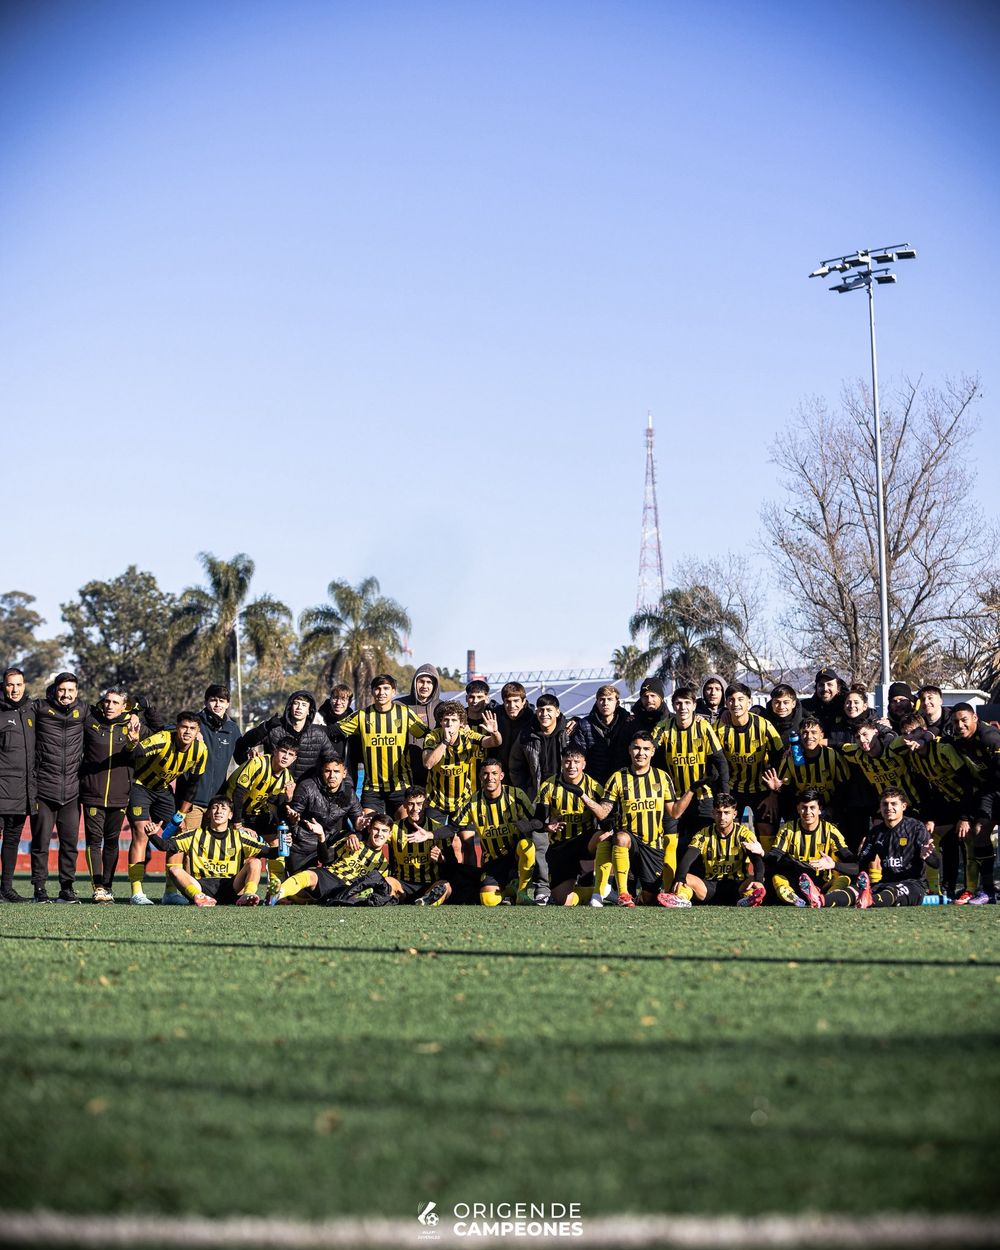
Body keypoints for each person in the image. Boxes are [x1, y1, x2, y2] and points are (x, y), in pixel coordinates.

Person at [591, 730, 693, 907]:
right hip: (629, 843)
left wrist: (692, 790)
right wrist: (584, 797)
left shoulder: (662, 777)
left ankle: (633, 895)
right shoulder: (618, 778)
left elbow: (674, 813)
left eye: (646, 749)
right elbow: (603, 812)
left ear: (652, 751)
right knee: (620, 837)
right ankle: (622, 894)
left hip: (653, 846)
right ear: (629, 750)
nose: (641, 753)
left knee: (650, 899)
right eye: (636, 748)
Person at [891, 715, 977, 901]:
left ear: (924, 731)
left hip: (970, 800)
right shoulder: (913, 757)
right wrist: (929, 816)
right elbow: (924, 789)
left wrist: (965, 816)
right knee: (931, 835)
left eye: (914, 732)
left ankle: (972, 889)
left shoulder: (943, 748)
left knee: (968, 837)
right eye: (906, 735)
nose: (910, 738)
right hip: (947, 802)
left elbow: (968, 781)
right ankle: (934, 889)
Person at [127, 712, 208, 905]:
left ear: (198, 731)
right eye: (184, 727)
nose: (187, 732)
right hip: (140, 786)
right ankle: (137, 892)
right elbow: (134, 753)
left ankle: (170, 892)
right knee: (141, 833)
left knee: (178, 834)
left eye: (192, 728)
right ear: (177, 727)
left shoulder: (200, 750)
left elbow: (193, 785)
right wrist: (133, 742)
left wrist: (181, 813)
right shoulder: (162, 739)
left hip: (162, 790)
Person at [28, 672, 93, 903]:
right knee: (41, 843)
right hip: (44, 790)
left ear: (77, 692)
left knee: (69, 845)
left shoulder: (84, 711)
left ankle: (67, 888)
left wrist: (136, 714)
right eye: (62, 690)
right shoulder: (39, 709)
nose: (66, 695)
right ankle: (39, 889)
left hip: (72, 792)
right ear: (55, 690)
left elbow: (111, 719)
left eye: (71, 690)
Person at [329, 674, 429, 815]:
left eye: (386, 688)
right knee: (370, 829)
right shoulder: (361, 715)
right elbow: (332, 730)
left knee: (403, 830)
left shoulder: (404, 713)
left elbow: (427, 734)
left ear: (394, 691)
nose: (382, 692)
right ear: (372, 691)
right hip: (372, 789)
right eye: (378, 689)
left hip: (400, 786)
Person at [653, 686, 730, 870]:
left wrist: (725, 795)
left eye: (687, 703)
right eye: (678, 703)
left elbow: (720, 761)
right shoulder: (663, 727)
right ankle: (674, 886)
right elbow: (649, 750)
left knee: (704, 841)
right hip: (674, 798)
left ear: (694, 705)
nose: (683, 708)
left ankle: (703, 881)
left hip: (702, 795)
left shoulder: (702, 726)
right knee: (672, 842)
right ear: (672, 706)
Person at [79, 687, 142, 903]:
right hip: (92, 794)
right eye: (107, 701)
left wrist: (134, 739)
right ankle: (97, 888)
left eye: (115, 702)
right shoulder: (90, 719)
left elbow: (161, 728)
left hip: (119, 795)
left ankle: (108, 886)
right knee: (94, 841)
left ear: (124, 706)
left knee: (112, 842)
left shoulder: (132, 725)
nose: (109, 706)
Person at [148, 794, 269, 907]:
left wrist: (285, 845)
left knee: (255, 862)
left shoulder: (239, 837)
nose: (219, 811)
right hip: (200, 887)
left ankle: (248, 895)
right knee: (174, 870)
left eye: (223, 808)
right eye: (215, 808)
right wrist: (152, 835)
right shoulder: (194, 835)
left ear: (230, 815)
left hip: (231, 887)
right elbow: (165, 846)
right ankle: (199, 897)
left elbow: (268, 852)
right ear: (209, 813)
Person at [452, 759, 535, 906]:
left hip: (515, 856)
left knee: (527, 845)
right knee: (488, 901)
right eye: (486, 774)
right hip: (493, 860)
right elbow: (453, 826)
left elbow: (536, 821)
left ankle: (522, 892)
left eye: (494, 773)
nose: (490, 778)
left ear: (501, 776)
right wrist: (430, 834)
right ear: (480, 777)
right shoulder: (473, 802)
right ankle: (509, 892)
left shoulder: (516, 795)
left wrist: (529, 825)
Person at [267, 813, 395, 906]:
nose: (380, 834)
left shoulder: (383, 864)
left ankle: (281, 892)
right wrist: (321, 837)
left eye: (384, 831)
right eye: (376, 829)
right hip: (330, 876)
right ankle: (276, 895)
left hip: (346, 891)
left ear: (389, 835)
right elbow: (325, 859)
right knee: (308, 876)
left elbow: (377, 888)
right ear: (369, 829)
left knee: (303, 897)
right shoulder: (351, 841)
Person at [665, 794, 766, 907]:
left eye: (727, 812)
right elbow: (687, 859)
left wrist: (759, 881)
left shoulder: (744, 834)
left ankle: (747, 899)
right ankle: (681, 899)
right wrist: (680, 878)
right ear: (712, 814)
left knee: (756, 879)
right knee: (686, 877)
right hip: (709, 888)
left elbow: (757, 861)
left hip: (737, 887)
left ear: (734, 814)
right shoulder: (703, 834)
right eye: (718, 812)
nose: (722, 817)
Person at [533, 747, 606, 904]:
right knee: (562, 901)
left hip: (584, 842)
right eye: (567, 762)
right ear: (561, 763)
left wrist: (583, 796)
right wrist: (547, 826)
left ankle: (601, 885)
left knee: (605, 835)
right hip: (560, 846)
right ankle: (598, 893)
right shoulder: (548, 786)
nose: (572, 766)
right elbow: (537, 821)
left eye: (576, 762)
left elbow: (606, 819)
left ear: (584, 764)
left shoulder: (594, 787)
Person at [715, 682, 783, 847]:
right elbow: (713, 761)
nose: (735, 704)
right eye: (731, 700)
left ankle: (767, 870)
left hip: (761, 788)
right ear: (726, 703)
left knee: (766, 829)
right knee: (728, 829)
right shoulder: (718, 728)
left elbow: (779, 757)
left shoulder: (764, 726)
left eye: (740, 699)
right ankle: (736, 869)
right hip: (732, 788)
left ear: (749, 702)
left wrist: (774, 793)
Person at [946, 703, 1000, 904]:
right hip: (989, 791)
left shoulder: (990, 737)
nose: (960, 725)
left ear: (975, 718)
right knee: (979, 831)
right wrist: (965, 816)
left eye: (964, 720)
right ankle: (988, 891)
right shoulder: (959, 743)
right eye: (956, 722)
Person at [765, 789, 857, 907]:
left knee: (844, 878)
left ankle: (825, 898)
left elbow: (854, 866)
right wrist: (762, 853)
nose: (807, 812)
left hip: (824, 883)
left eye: (812, 807)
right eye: (804, 807)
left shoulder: (830, 831)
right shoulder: (788, 829)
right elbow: (773, 858)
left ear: (820, 810)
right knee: (777, 878)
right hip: (797, 883)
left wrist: (833, 865)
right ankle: (797, 900)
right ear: (798, 809)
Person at [858, 787, 939, 907]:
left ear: (904, 806)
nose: (889, 808)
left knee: (892, 892)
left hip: (913, 885)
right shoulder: (876, 832)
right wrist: (835, 865)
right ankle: (821, 900)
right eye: (885, 804)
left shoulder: (916, 828)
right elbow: (861, 864)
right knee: (853, 890)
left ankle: (869, 900)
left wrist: (927, 856)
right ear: (880, 808)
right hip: (885, 882)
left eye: (893, 804)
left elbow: (936, 863)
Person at [421, 701, 501, 822]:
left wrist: (494, 733)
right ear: (441, 722)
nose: (449, 724)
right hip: (436, 802)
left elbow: (495, 742)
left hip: (463, 800)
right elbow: (428, 764)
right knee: (438, 839)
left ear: (461, 722)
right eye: (446, 720)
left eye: (454, 720)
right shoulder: (433, 737)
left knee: (467, 839)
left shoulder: (468, 736)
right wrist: (445, 742)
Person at [285, 756, 364, 876]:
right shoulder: (307, 787)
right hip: (303, 845)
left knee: (353, 838)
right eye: (328, 771)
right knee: (300, 888)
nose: (332, 775)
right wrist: (293, 820)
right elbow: (291, 818)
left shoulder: (349, 794)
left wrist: (356, 832)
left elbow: (359, 823)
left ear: (344, 773)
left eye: (336, 771)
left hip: (328, 845)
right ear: (322, 772)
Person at [234, 690, 332, 782]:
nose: (299, 708)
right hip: (272, 790)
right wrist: (265, 727)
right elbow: (242, 744)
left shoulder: (318, 734)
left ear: (309, 711)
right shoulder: (274, 729)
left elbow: (333, 761)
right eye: (296, 703)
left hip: (304, 793)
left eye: (304, 705)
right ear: (290, 707)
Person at [762, 715, 850, 818]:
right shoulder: (790, 759)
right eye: (805, 732)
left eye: (814, 732)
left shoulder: (833, 756)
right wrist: (778, 789)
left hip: (830, 808)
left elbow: (844, 787)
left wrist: (832, 809)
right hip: (802, 810)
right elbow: (785, 789)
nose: (809, 737)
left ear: (821, 735)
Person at [0, 668, 36, 903]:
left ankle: (6, 888)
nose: (14, 689)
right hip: (1, 786)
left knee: (12, 840)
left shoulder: (32, 710)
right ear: (3, 686)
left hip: (23, 790)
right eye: (10, 685)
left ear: (24, 685)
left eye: (19, 685)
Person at [185, 685, 239, 833]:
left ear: (227, 704)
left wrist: (252, 751)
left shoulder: (232, 728)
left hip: (217, 803)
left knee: (210, 849)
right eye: (213, 700)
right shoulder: (195, 723)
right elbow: (173, 728)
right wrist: (191, 734)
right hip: (192, 800)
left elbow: (241, 756)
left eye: (222, 701)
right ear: (205, 702)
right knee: (187, 846)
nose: (217, 705)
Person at [386, 786, 450, 906]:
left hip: (429, 884)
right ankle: (395, 898)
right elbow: (374, 842)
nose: (415, 808)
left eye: (419, 804)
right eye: (411, 804)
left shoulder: (437, 828)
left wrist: (441, 858)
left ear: (425, 804)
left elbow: (452, 862)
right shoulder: (393, 828)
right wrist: (356, 836)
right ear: (404, 805)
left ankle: (425, 900)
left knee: (446, 886)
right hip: (402, 884)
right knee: (387, 882)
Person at [509, 693, 570, 801]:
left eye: (549, 710)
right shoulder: (526, 735)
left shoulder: (569, 733)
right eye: (541, 710)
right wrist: (524, 790)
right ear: (536, 712)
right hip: (537, 795)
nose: (544, 714)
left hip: (565, 793)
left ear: (557, 712)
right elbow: (515, 765)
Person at [569, 685, 634, 785]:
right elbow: (579, 755)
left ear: (617, 702)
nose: (605, 703)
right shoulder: (585, 725)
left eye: (610, 699)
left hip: (624, 780)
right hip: (594, 782)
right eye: (602, 699)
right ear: (596, 702)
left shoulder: (628, 723)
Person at [396, 663, 443, 786]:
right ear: (414, 683)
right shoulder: (398, 705)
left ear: (435, 686)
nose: (425, 686)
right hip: (403, 771)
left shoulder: (442, 707)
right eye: (421, 681)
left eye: (429, 682)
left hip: (433, 770)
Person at [317, 682, 359, 785]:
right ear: (330, 699)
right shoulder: (317, 719)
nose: (338, 703)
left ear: (349, 702)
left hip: (347, 778)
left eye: (343, 699)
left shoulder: (355, 722)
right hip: (321, 776)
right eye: (335, 698)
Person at [495, 682, 534, 773]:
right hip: (502, 774)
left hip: (526, 775)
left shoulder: (533, 718)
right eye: (508, 701)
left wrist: (574, 720)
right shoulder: (496, 716)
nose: (512, 706)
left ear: (523, 701)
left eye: (516, 701)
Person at [801, 667, 847, 739]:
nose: (825, 689)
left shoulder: (846, 707)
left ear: (838, 688)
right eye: (821, 685)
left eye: (829, 684)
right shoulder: (805, 708)